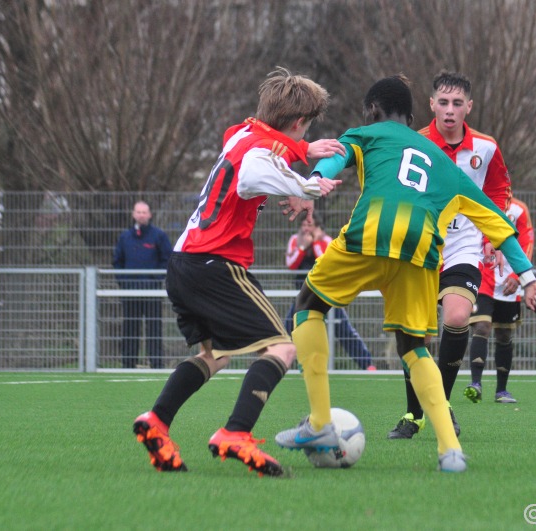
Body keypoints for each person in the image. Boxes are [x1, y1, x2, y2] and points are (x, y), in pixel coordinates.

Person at [273, 75, 536, 473]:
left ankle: (319, 422)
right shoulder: (444, 163)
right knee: (414, 346)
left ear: (372, 111)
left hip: (369, 236)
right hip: (422, 253)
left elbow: (334, 158)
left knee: (307, 307)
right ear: (415, 115)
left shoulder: (366, 134)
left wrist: (310, 185)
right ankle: (450, 449)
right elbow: (498, 224)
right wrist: (528, 278)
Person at [132, 67, 343, 477]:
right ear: (298, 123)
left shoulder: (244, 134)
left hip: (183, 262)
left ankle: (157, 421)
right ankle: (236, 432)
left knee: (215, 355)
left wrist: (303, 150)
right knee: (283, 349)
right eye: (305, 130)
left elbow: (258, 144)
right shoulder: (259, 154)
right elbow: (256, 171)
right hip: (215, 263)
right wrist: (311, 186)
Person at [387, 71, 512, 439]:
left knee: (458, 316)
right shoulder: (415, 142)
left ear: (469, 107)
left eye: (458, 103)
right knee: (415, 336)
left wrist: (492, 231)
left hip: (463, 245)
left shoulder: (486, 147)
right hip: (419, 246)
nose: (450, 110)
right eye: (443, 102)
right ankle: (414, 415)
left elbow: (500, 187)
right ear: (431, 104)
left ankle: (439, 402)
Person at [284, 213, 377, 371]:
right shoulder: (295, 240)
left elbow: (327, 262)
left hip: (327, 295)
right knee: (289, 328)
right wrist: (302, 247)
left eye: (309, 225)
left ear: (318, 227)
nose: (306, 228)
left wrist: (315, 243)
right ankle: (281, 362)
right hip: (304, 297)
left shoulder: (326, 241)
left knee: (344, 330)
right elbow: (291, 264)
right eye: (304, 225)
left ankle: (367, 365)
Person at [465, 196, 534, 404]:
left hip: (509, 284)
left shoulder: (519, 210)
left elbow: (527, 242)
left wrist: (517, 277)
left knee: (504, 333)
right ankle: (475, 383)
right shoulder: (479, 204)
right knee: (482, 326)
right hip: (484, 279)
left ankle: (501, 390)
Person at [113, 200, 172, 369]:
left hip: (152, 292)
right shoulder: (125, 237)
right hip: (130, 292)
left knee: (154, 328)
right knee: (130, 327)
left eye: (144, 212)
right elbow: (117, 261)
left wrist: (155, 279)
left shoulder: (158, 236)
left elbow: (167, 260)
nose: (141, 215)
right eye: (138, 212)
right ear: (133, 214)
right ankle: (128, 364)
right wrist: (124, 282)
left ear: (149, 215)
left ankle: (156, 364)